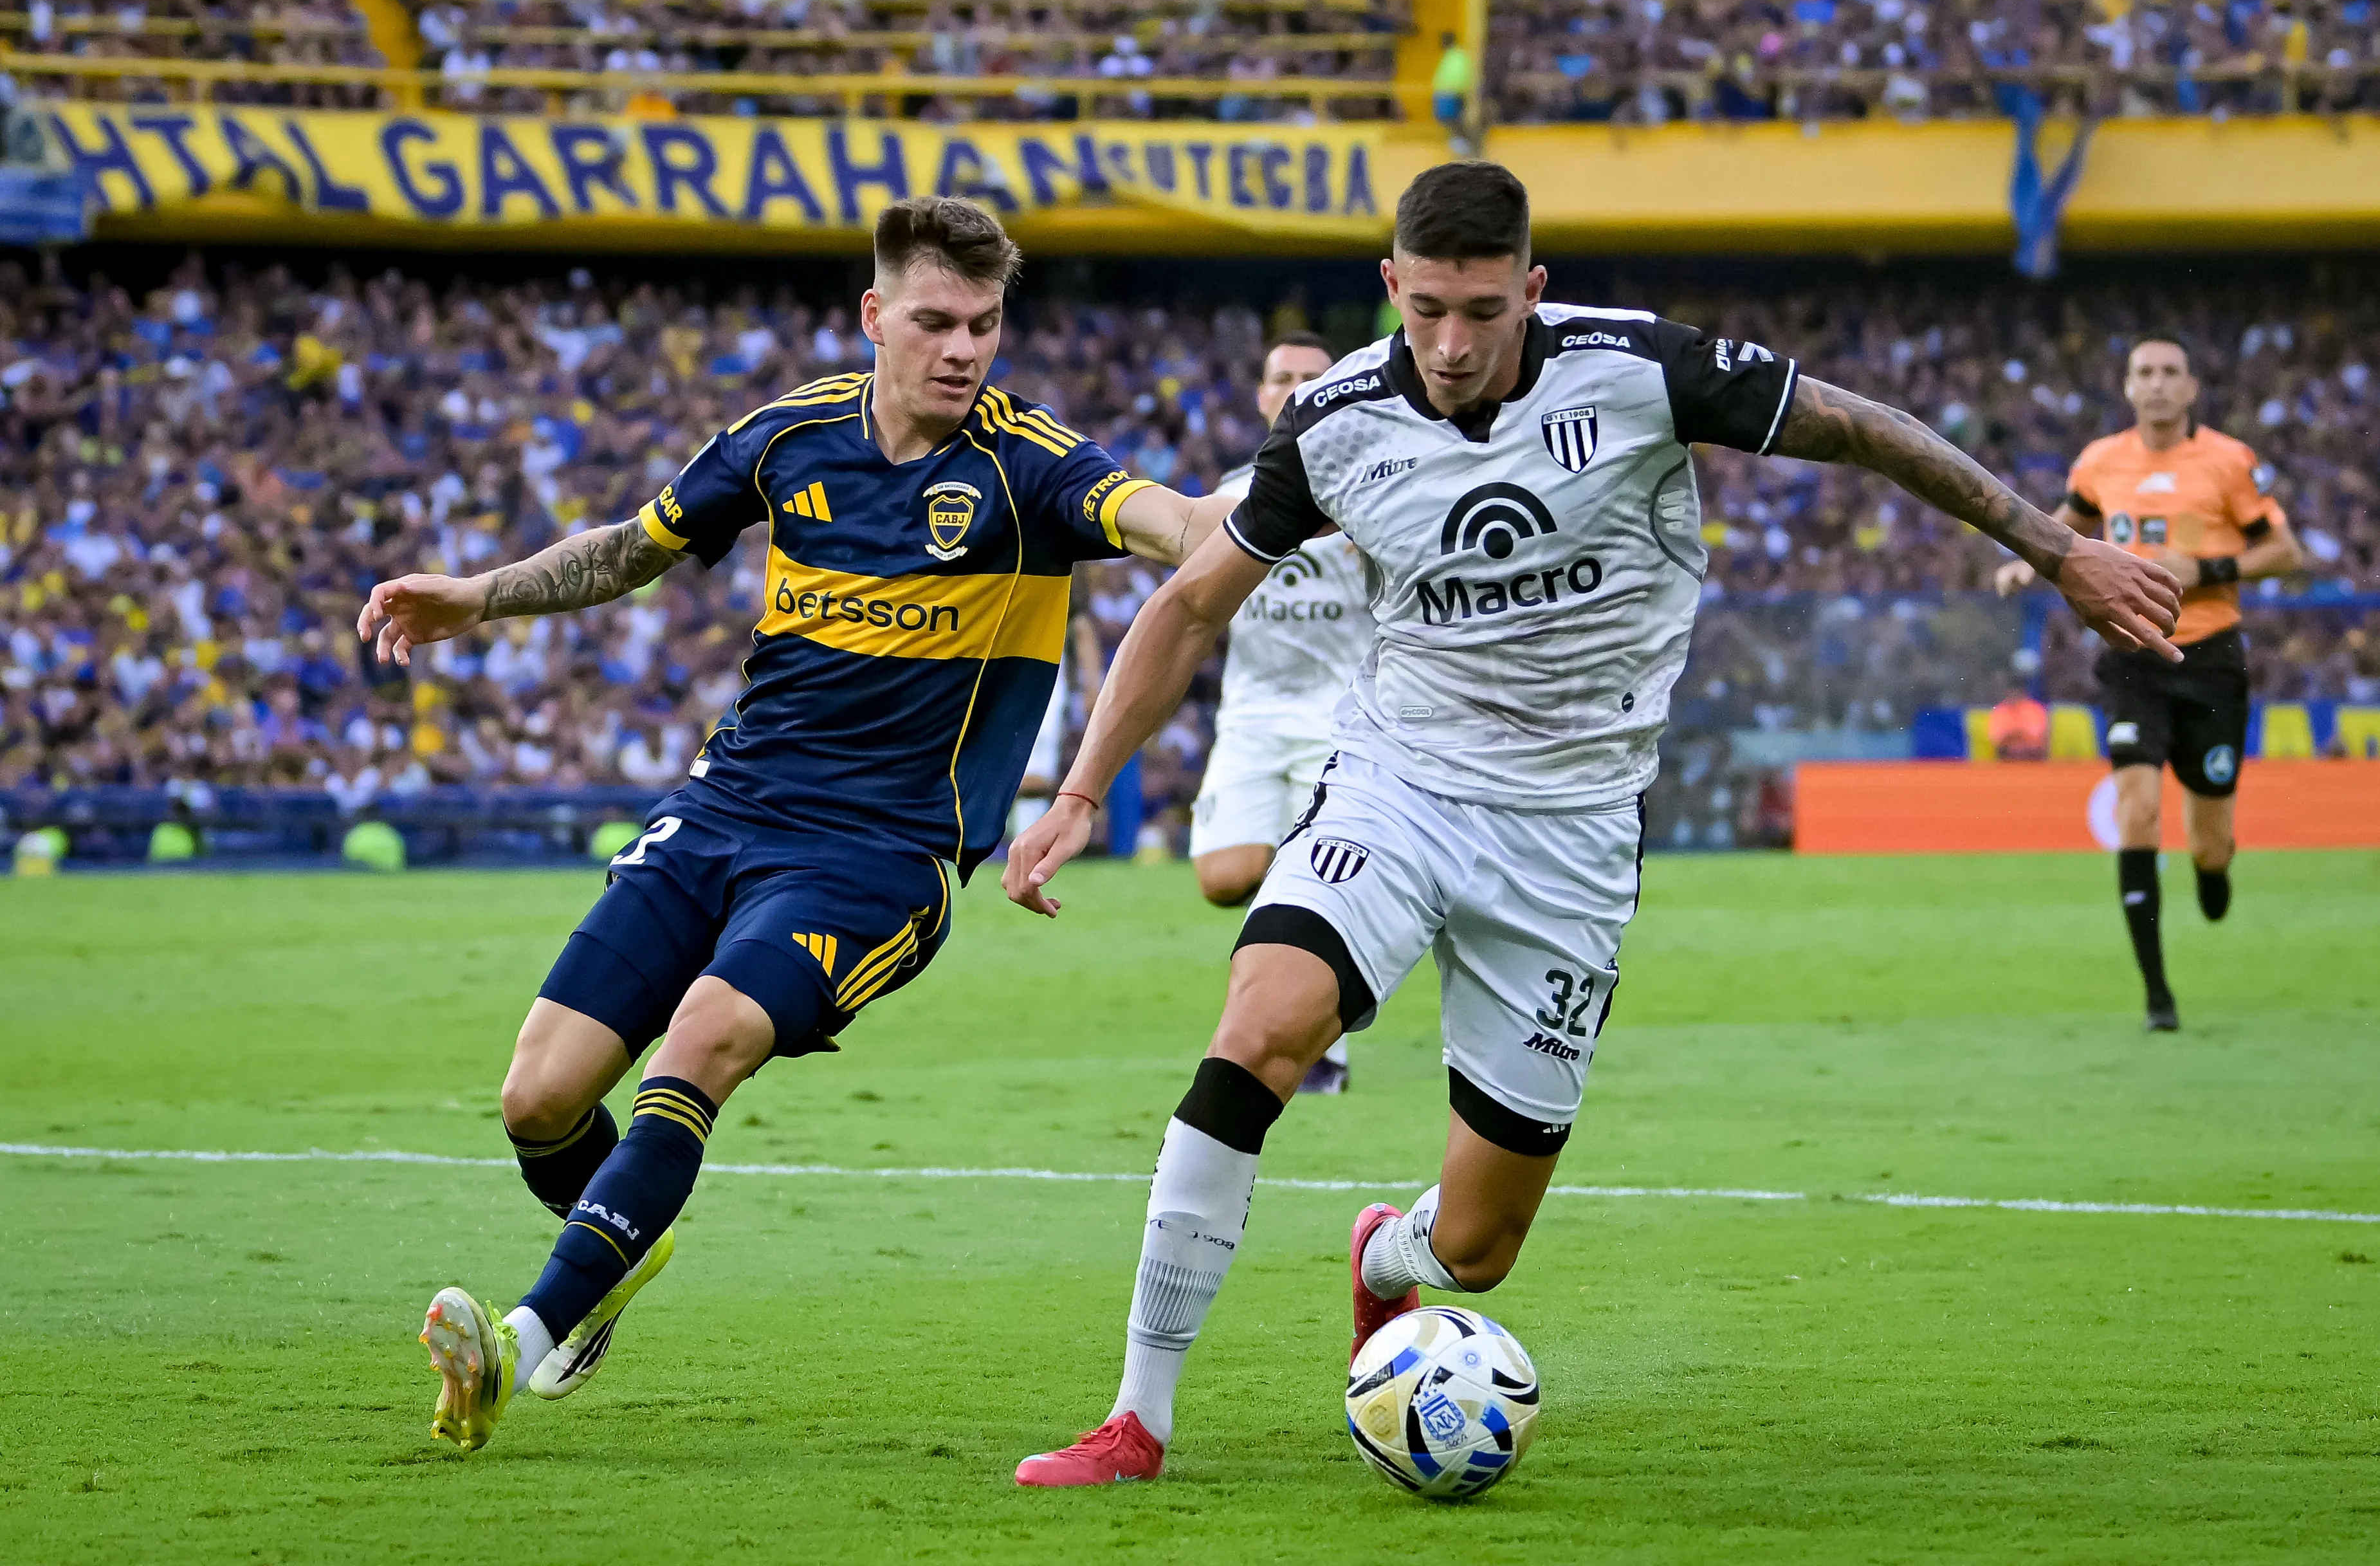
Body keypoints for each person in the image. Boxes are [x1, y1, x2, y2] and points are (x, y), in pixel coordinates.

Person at [1002, 161, 2183, 1486]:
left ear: (1533, 292)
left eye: (1483, 311)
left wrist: (2052, 547)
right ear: (1390, 288)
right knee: (1258, 1026)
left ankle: (1389, 1253)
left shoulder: (1637, 371)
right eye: (1427, 309)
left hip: (1570, 831)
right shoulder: (1332, 420)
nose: (1450, 345)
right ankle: (1136, 1418)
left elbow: (1864, 426)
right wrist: (1082, 788)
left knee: (1480, 1246)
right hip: (1400, 784)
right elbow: (1184, 605)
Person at [356, 197, 1236, 1453]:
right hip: (722, 812)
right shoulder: (786, 439)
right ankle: (614, 1251)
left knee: (705, 1037)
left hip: (877, 858)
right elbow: (629, 550)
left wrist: (1238, 511)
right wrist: (478, 597)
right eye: (934, 321)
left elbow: (1167, 520)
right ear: (876, 314)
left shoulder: (1022, 462)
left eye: (983, 324)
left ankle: (520, 1334)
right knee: (537, 1099)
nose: (961, 349)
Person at [1995, 335, 2301, 1030]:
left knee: (2209, 838)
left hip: (2212, 659)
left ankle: (2213, 869)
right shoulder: (2101, 461)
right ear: (2127, 387)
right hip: (2132, 652)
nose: (2157, 384)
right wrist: (2025, 562)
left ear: (2191, 388)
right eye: (2144, 373)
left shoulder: (2228, 460)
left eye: (2170, 373)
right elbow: (2066, 522)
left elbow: (2285, 550)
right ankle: (2157, 996)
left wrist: (2210, 570)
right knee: (2136, 810)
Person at [1190, 330, 1368, 1093]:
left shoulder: (1375, 485)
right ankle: (1304, 1001)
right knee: (1225, 877)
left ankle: (1317, 1046)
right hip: (1252, 719)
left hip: (1342, 720)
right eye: (1282, 377)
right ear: (1264, 396)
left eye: (1310, 377)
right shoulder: (1232, 495)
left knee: (1313, 880)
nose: (1294, 388)